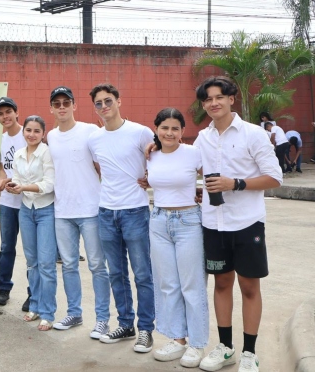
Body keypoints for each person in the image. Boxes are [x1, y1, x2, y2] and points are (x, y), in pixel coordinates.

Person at [193, 76, 282, 372]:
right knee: (220, 283)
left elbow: (275, 177)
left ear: (232, 98)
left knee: (248, 287)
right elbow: (186, 164)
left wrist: (236, 183)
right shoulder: (202, 138)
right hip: (213, 224)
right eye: (207, 99)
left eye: (219, 96)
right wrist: (152, 150)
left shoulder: (253, 134)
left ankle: (249, 352)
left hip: (247, 223)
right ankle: (225, 347)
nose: (213, 103)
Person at [86, 83, 155, 353]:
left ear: (119, 101)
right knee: (116, 273)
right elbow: (100, 168)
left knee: (142, 273)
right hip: (106, 212)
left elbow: (156, 161)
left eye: (108, 101)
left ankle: (146, 329)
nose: (104, 107)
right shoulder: (94, 138)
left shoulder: (139, 132)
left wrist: (150, 178)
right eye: (99, 103)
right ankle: (126, 324)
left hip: (135, 211)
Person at [144, 108, 208, 368]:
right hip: (158, 220)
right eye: (164, 128)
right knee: (168, 283)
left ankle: (197, 343)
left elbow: (211, 176)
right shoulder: (151, 154)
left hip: (189, 221)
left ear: (182, 131)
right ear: (156, 129)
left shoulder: (193, 153)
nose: (169, 133)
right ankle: (177, 338)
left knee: (191, 285)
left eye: (175, 128)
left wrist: (202, 193)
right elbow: (145, 181)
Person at [46, 86, 111, 339]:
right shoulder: (50, 136)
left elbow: (104, 163)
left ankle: (103, 319)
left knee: (97, 266)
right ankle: (74, 313)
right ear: (51, 108)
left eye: (66, 103)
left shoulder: (90, 131)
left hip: (91, 209)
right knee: (69, 265)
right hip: (62, 211)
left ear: (74, 105)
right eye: (57, 103)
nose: (62, 107)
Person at [6, 115, 56, 332]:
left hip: (46, 210)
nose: (32, 134)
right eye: (28, 130)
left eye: (37, 131)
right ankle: (34, 305)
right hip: (26, 210)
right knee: (32, 262)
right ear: (23, 131)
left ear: (43, 133)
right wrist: (9, 185)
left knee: (46, 264)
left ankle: (47, 312)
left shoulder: (47, 153)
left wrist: (23, 188)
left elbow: (49, 184)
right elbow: (16, 178)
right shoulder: (18, 154)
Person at [0, 97, 31, 311]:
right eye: (0, 113)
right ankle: (4, 288)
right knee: (6, 248)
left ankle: (34, 293)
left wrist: (13, 181)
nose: (5, 117)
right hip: (7, 203)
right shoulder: (0, 140)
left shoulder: (28, 135)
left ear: (16, 112)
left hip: (29, 201)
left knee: (32, 250)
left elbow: (35, 168)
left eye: (8, 112)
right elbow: (3, 169)